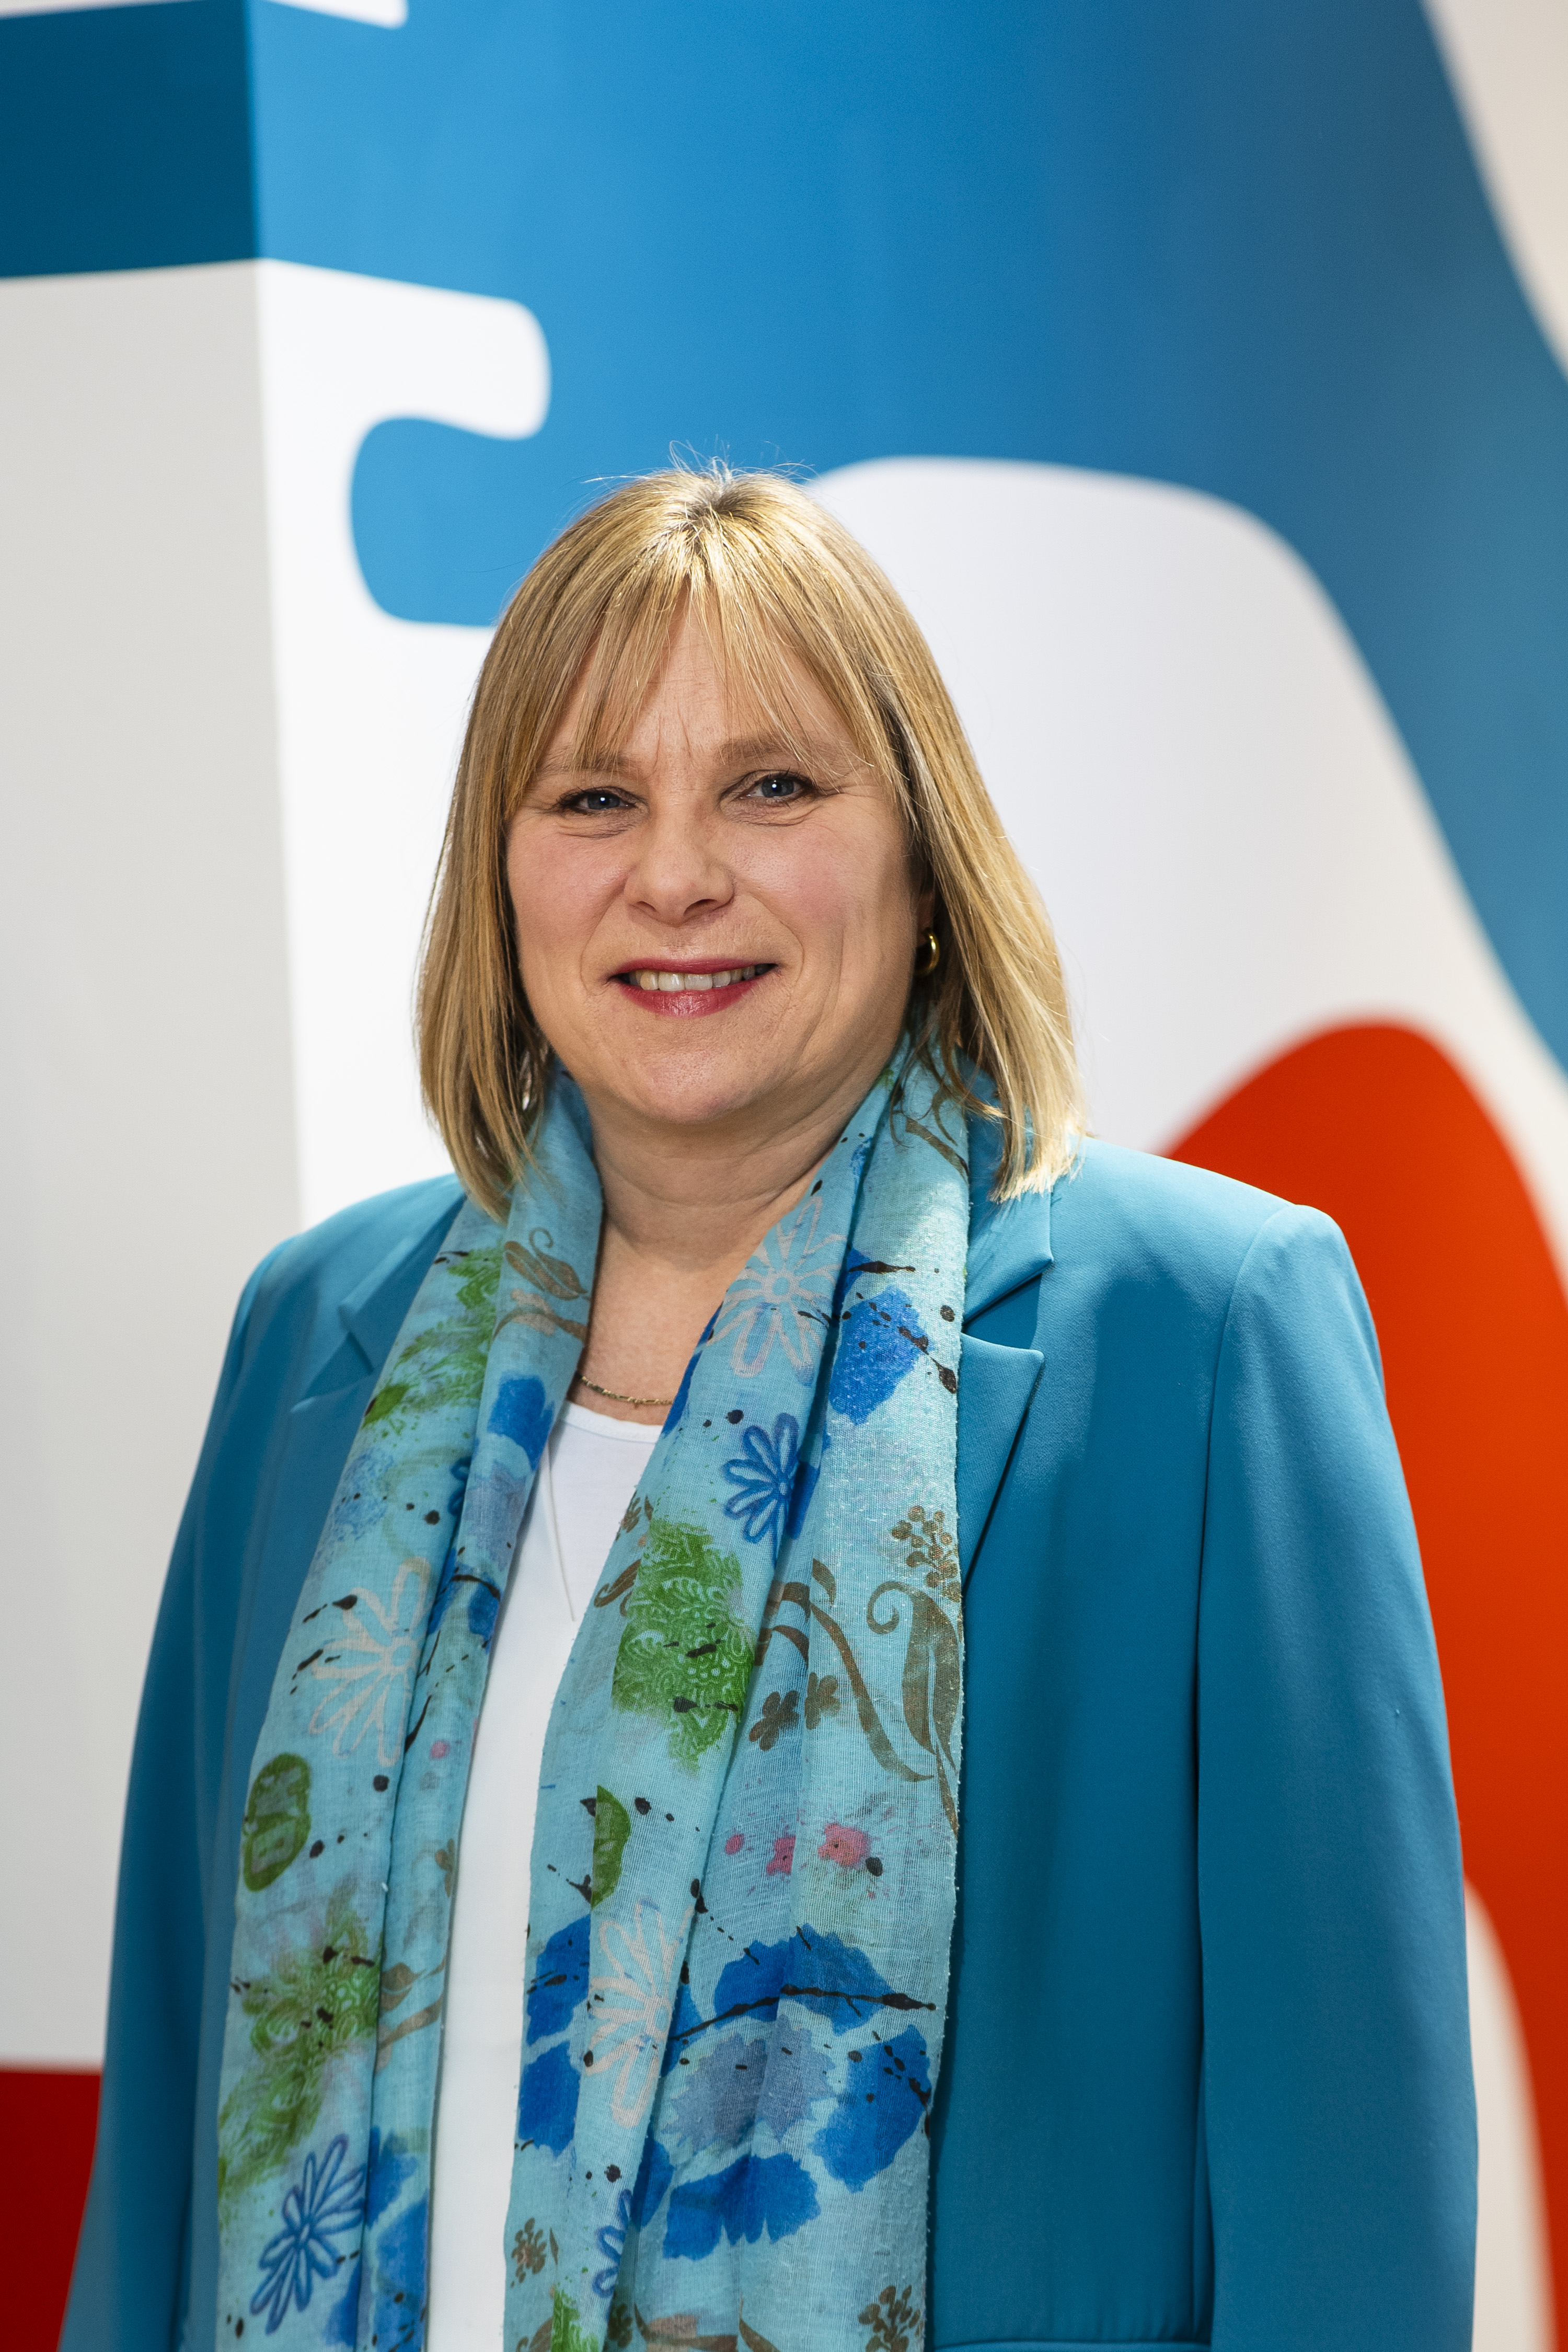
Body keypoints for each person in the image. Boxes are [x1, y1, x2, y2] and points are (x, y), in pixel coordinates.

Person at [64, 468, 1475, 2352]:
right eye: (593, 797)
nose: (674, 874)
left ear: (924, 857)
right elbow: (171, 2110)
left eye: (774, 785)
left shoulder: (1204, 1333)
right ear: (502, 872)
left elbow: (1350, 2191)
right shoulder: (319, 1334)